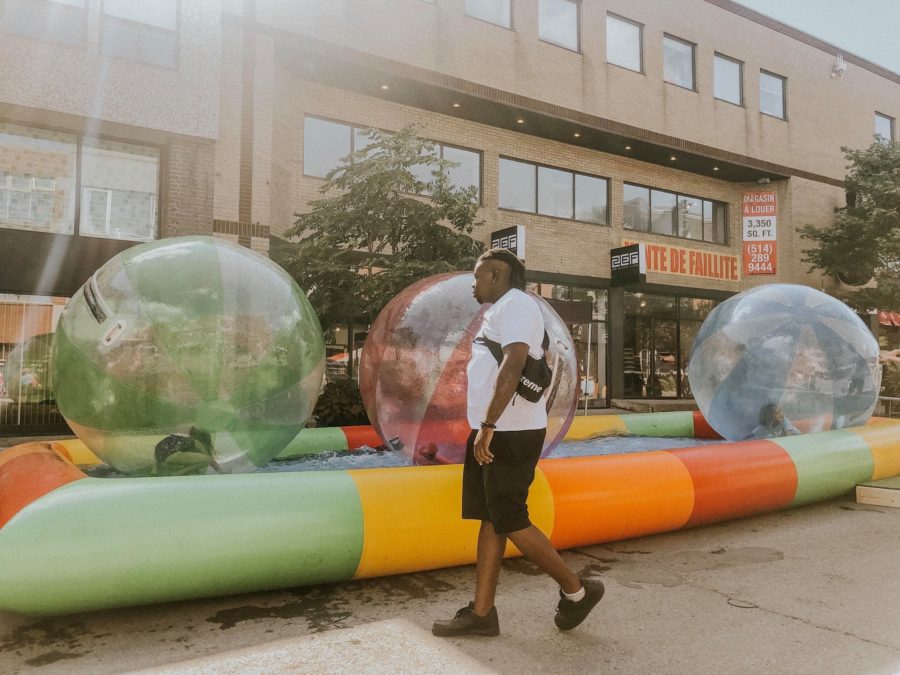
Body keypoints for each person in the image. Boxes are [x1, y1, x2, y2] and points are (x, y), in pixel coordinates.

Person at [431, 248, 604, 638]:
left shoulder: (518, 306)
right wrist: (483, 426)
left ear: (495, 275)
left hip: (509, 433)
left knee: (510, 518)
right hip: (493, 430)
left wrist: (489, 424)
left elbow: (513, 363)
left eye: (477, 277)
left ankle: (577, 591)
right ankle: (481, 614)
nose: (473, 285)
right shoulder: (501, 309)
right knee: (492, 519)